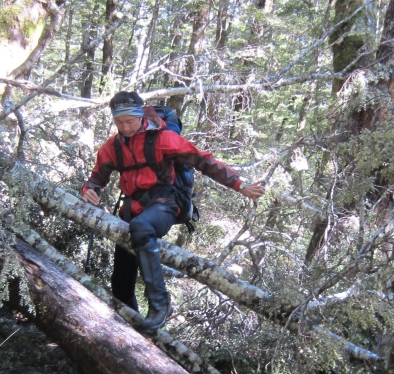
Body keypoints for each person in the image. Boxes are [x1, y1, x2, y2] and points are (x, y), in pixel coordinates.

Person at [82, 91, 264, 329]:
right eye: (119, 122)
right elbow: (98, 177)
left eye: (130, 121)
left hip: (166, 203)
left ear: (140, 116)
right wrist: (90, 189)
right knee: (120, 281)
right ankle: (132, 327)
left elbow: (203, 161)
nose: (125, 127)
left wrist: (239, 184)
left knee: (142, 228)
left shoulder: (163, 139)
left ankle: (160, 304)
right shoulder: (113, 147)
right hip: (132, 208)